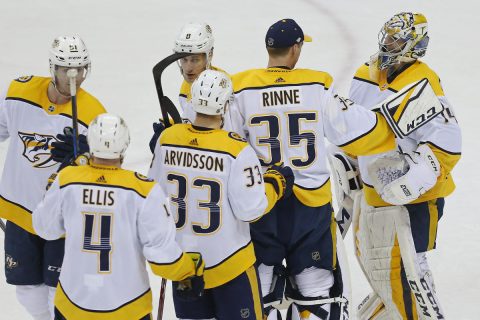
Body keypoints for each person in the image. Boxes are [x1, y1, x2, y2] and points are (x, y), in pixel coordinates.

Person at [227, 18, 416, 320]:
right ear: (296, 49)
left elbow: (224, 144)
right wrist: (397, 126)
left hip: (264, 205)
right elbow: (359, 131)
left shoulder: (240, 91)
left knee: (262, 291)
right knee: (317, 291)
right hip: (309, 211)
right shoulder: (316, 88)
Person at [148, 69, 294, 320]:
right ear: (225, 105)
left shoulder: (168, 138)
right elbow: (251, 209)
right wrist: (275, 184)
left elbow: (151, 195)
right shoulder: (236, 149)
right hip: (230, 266)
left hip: (184, 267)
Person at [32, 113, 204, 320]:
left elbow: (45, 228)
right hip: (128, 307)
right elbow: (162, 257)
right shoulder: (143, 190)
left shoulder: (67, 179)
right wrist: (187, 270)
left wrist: (60, 175)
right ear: (125, 145)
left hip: (72, 305)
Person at [346, 12, 461, 319]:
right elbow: (353, 128)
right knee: (380, 268)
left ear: (414, 44)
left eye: (396, 38)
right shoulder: (364, 73)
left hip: (417, 199)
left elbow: (448, 144)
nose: (389, 43)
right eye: (388, 36)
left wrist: (415, 180)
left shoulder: (424, 81)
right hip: (374, 194)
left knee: (413, 268)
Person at [0, 36, 106, 320]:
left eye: (81, 69)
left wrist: (84, 157)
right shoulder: (18, 92)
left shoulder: (93, 114)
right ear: (52, 67)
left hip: (63, 220)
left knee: (58, 289)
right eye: (67, 70)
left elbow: (105, 172)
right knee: (25, 288)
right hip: (21, 211)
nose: (75, 78)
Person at [149, 22, 230, 153]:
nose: (188, 68)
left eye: (195, 59)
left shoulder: (222, 91)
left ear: (209, 55)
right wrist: (174, 126)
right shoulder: (188, 86)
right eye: (184, 59)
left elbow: (223, 140)